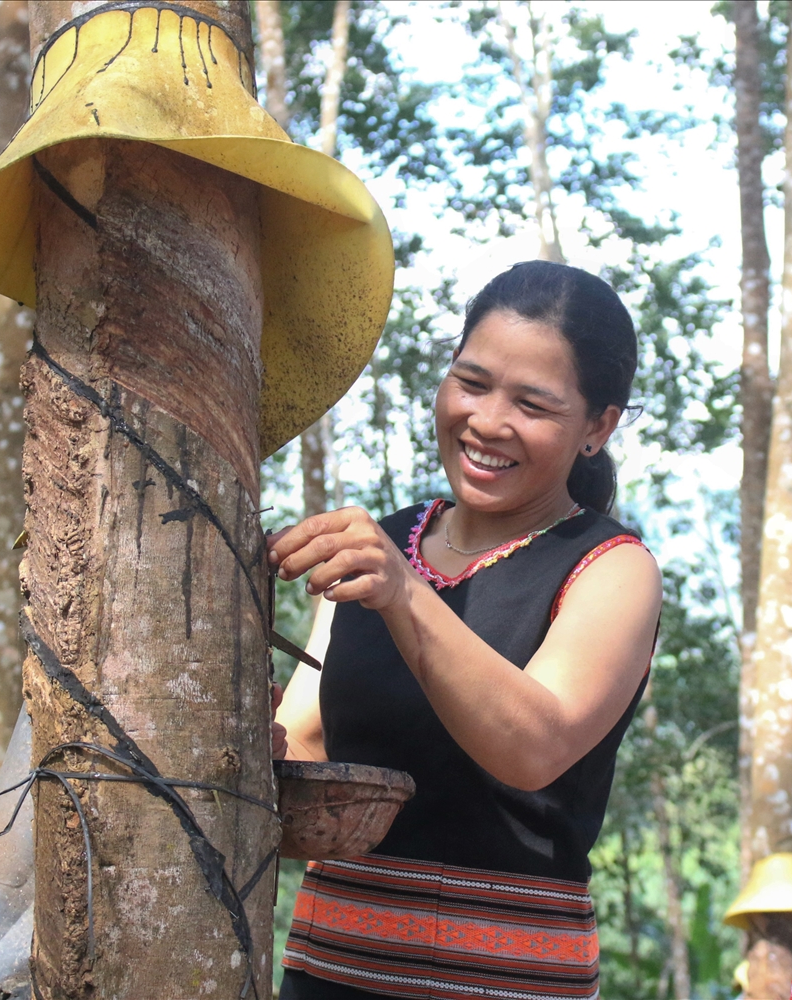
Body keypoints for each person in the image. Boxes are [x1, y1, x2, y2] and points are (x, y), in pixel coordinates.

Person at [267, 261, 661, 1000]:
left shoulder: (611, 568)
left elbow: (533, 744)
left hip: (509, 986)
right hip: (328, 975)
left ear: (598, 427)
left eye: (533, 405)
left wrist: (401, 592)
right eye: (472, 383)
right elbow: (306, 744)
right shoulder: (378, 549)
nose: (486, 422)